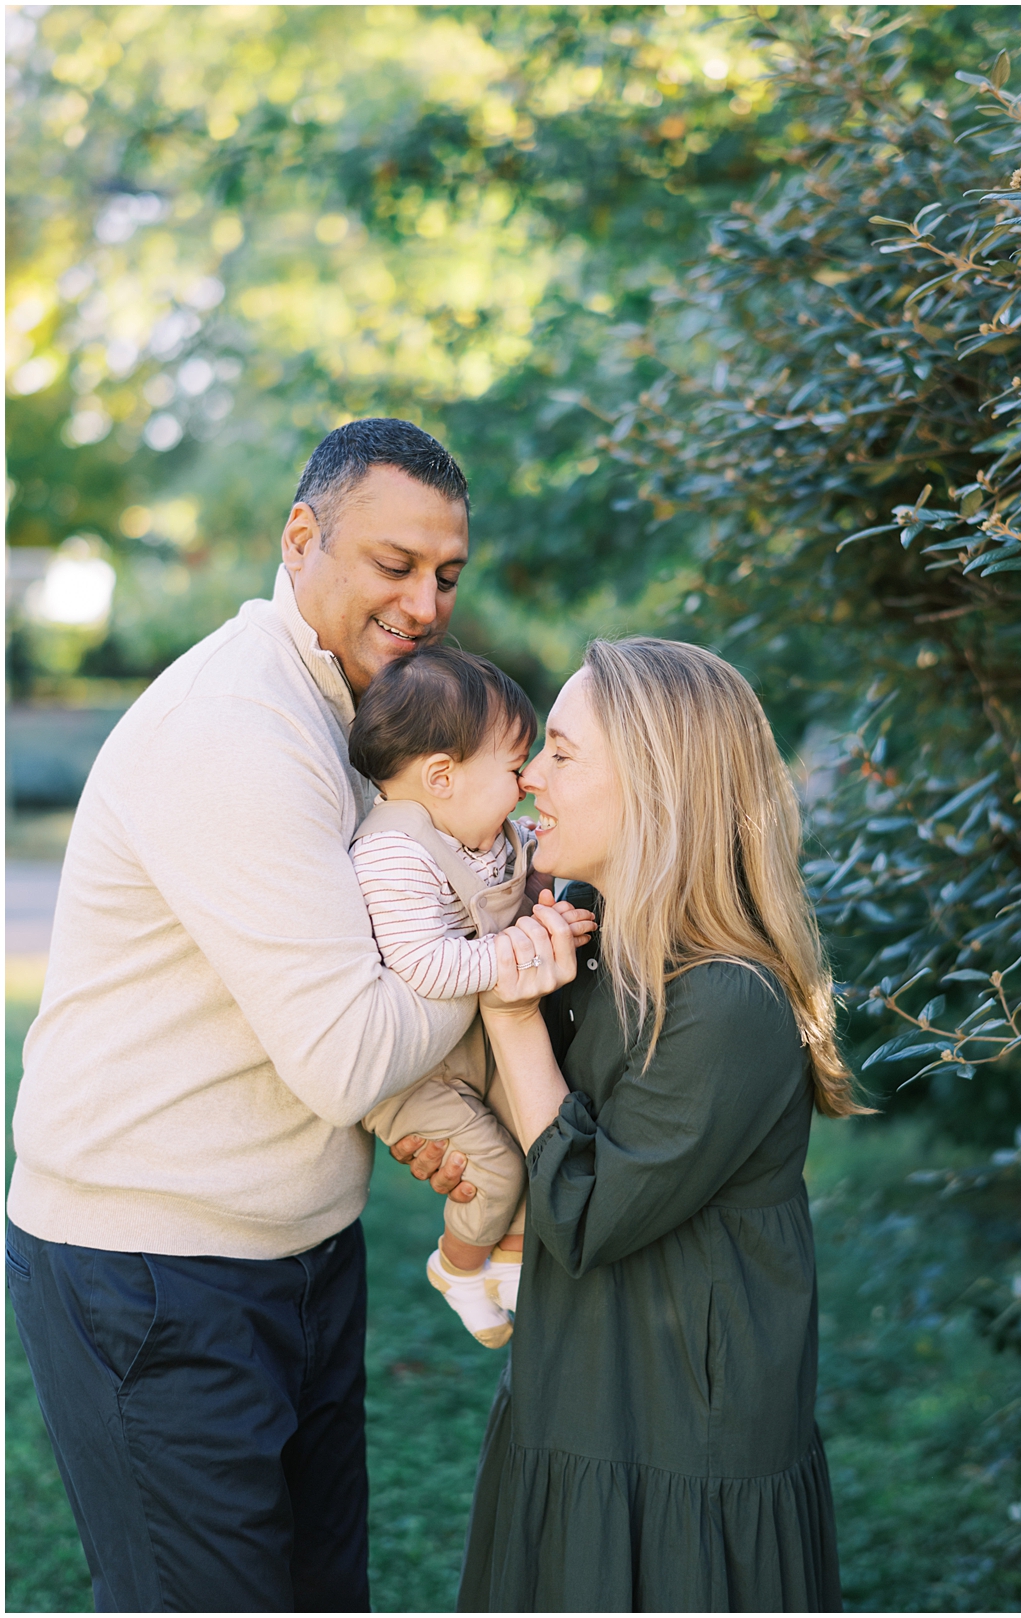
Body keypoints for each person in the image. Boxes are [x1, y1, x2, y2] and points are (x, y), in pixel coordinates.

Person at [6, 418, 487, 1614]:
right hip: (157, 1272)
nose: (425, 601)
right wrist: (501, 961)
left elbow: (368, 963)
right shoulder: (241, 725)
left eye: (445, 574)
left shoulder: (351, 711)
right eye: (393, 564)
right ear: (300, 536)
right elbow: (347, 1051)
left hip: (298, 1255)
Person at [454, 636, 859, 1614]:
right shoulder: (589, 946)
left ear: (658, 789)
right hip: (572, 1400)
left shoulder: (727, 1001)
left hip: (679, 1444)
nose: (529, 775)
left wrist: (510, 1017)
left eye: (560, 751)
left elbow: (586, 1213)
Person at [348, 644, 596, 1348]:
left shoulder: (484, 834)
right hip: (414, 1071)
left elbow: (525, 878)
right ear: (442, 776)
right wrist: (520, 948)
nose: (525, 785)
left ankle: (513, 1262)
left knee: (530, 1127)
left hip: (470, 1041)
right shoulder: (394, 853)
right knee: (491, 1167)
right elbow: (426, 966)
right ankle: (457, 1267)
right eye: (514, 768)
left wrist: (551, 909)